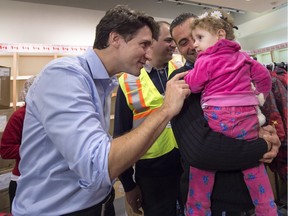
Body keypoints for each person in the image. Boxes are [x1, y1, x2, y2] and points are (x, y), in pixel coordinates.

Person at [12, 5, 191, 216]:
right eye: (143, 45)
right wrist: (166, 109)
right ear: (115, 39)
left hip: (94, 204)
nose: (148, 53)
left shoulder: (102, 83)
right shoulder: (64, 76)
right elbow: (97, 166)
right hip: (57, 211)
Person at [170, 12, 280, 215]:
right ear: (177, 48)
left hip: (245, 201)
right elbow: (201, 152)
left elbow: (261, 119)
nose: (193, 45)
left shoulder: (228, 65)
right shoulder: (179, 81)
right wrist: (262, 145)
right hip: (220, 203)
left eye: (197, 36)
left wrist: (270, 135)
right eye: (184, 41)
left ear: (217, 33)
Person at [113, 21, 183, 216]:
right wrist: (128, 185)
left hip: (188, 165)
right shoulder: (128, 81)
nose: (174, 45)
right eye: (169, 40)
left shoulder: (182, 70)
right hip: (152, 174)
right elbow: (120, 135)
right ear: (152, 43)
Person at [0, 76, 36, 213]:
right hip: (22, 180)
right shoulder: (20, 116)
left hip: (42, 180)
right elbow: (6, 150)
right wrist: (33, 149)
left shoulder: (49, 116)